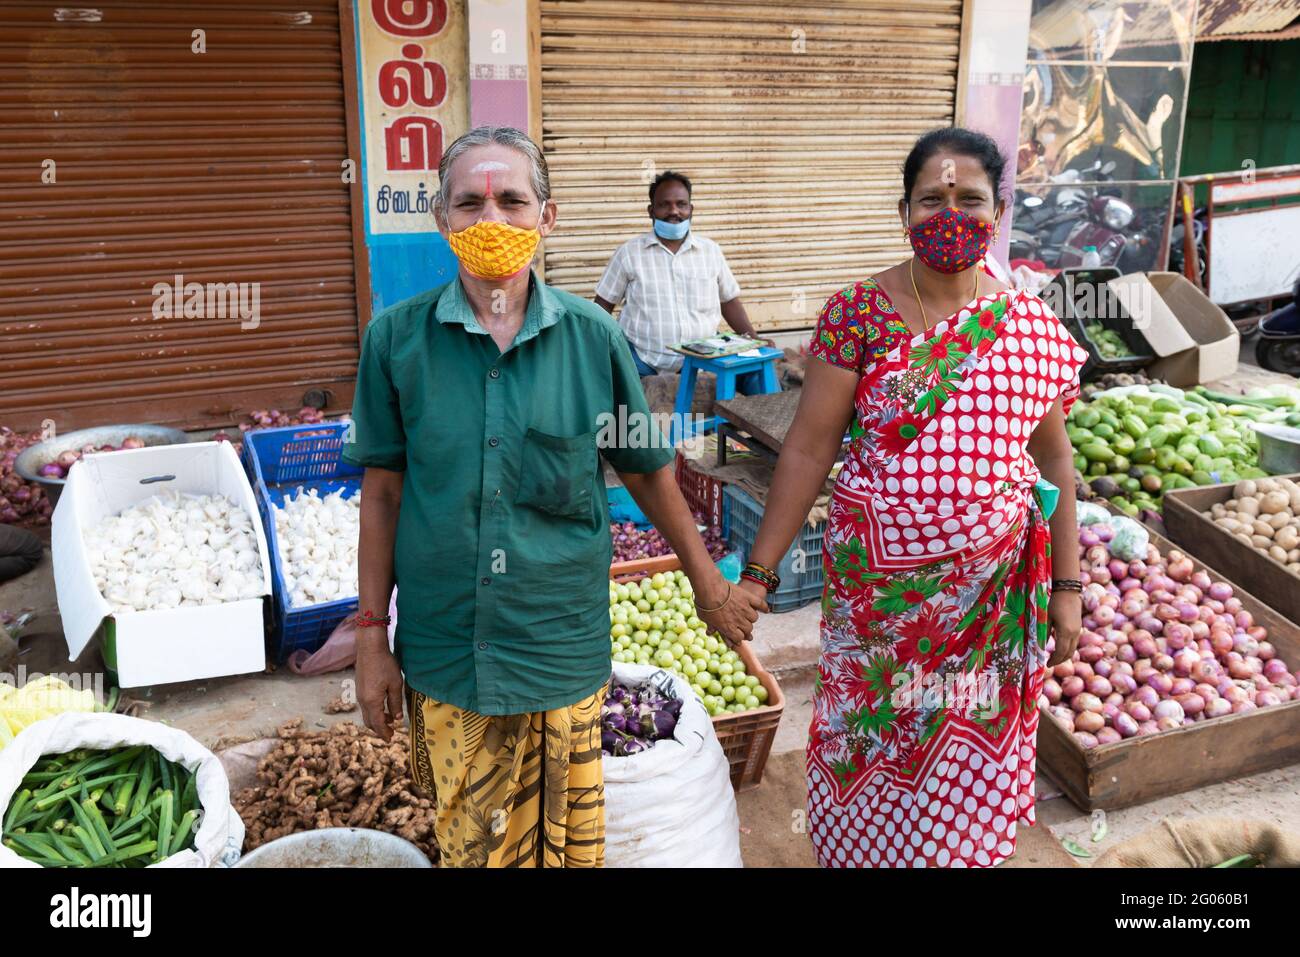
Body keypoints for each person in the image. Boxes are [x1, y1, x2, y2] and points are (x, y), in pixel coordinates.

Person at [343, 126, 764, 869]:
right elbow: (382, 492)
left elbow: (645, 468)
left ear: (549, 216)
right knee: (472, 847)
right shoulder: (394, 342)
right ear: (441, 218)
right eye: (469, 202)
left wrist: (710, 584)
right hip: (448, 651)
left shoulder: (595, 338)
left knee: (565, 851)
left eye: (512, 200)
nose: (491, 221)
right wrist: (372, 636)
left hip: (559, 646)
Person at [736, 127, 1090, 868]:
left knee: (967, 737)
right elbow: (807, 449)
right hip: (879, 604)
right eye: (932, 198)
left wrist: (1067, 584)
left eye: (969, 198)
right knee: (873, 733)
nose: (950, 212)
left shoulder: (1026, 324)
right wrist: (758, 573)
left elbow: (1052, 451)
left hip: (991, 602)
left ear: (998, 210)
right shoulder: (859, 313)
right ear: (904, 210)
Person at [595, 171, 766, 375]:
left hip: (703, 361)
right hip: (640, 360)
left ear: (691, 209)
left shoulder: (710, 251)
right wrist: (598, 350)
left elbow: (729, 301)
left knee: (757, 375)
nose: (673, 211)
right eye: (664, 204)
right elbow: (602, 306)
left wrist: (755, 340)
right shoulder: (629, 253)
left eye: (681, 204)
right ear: (651, 211)